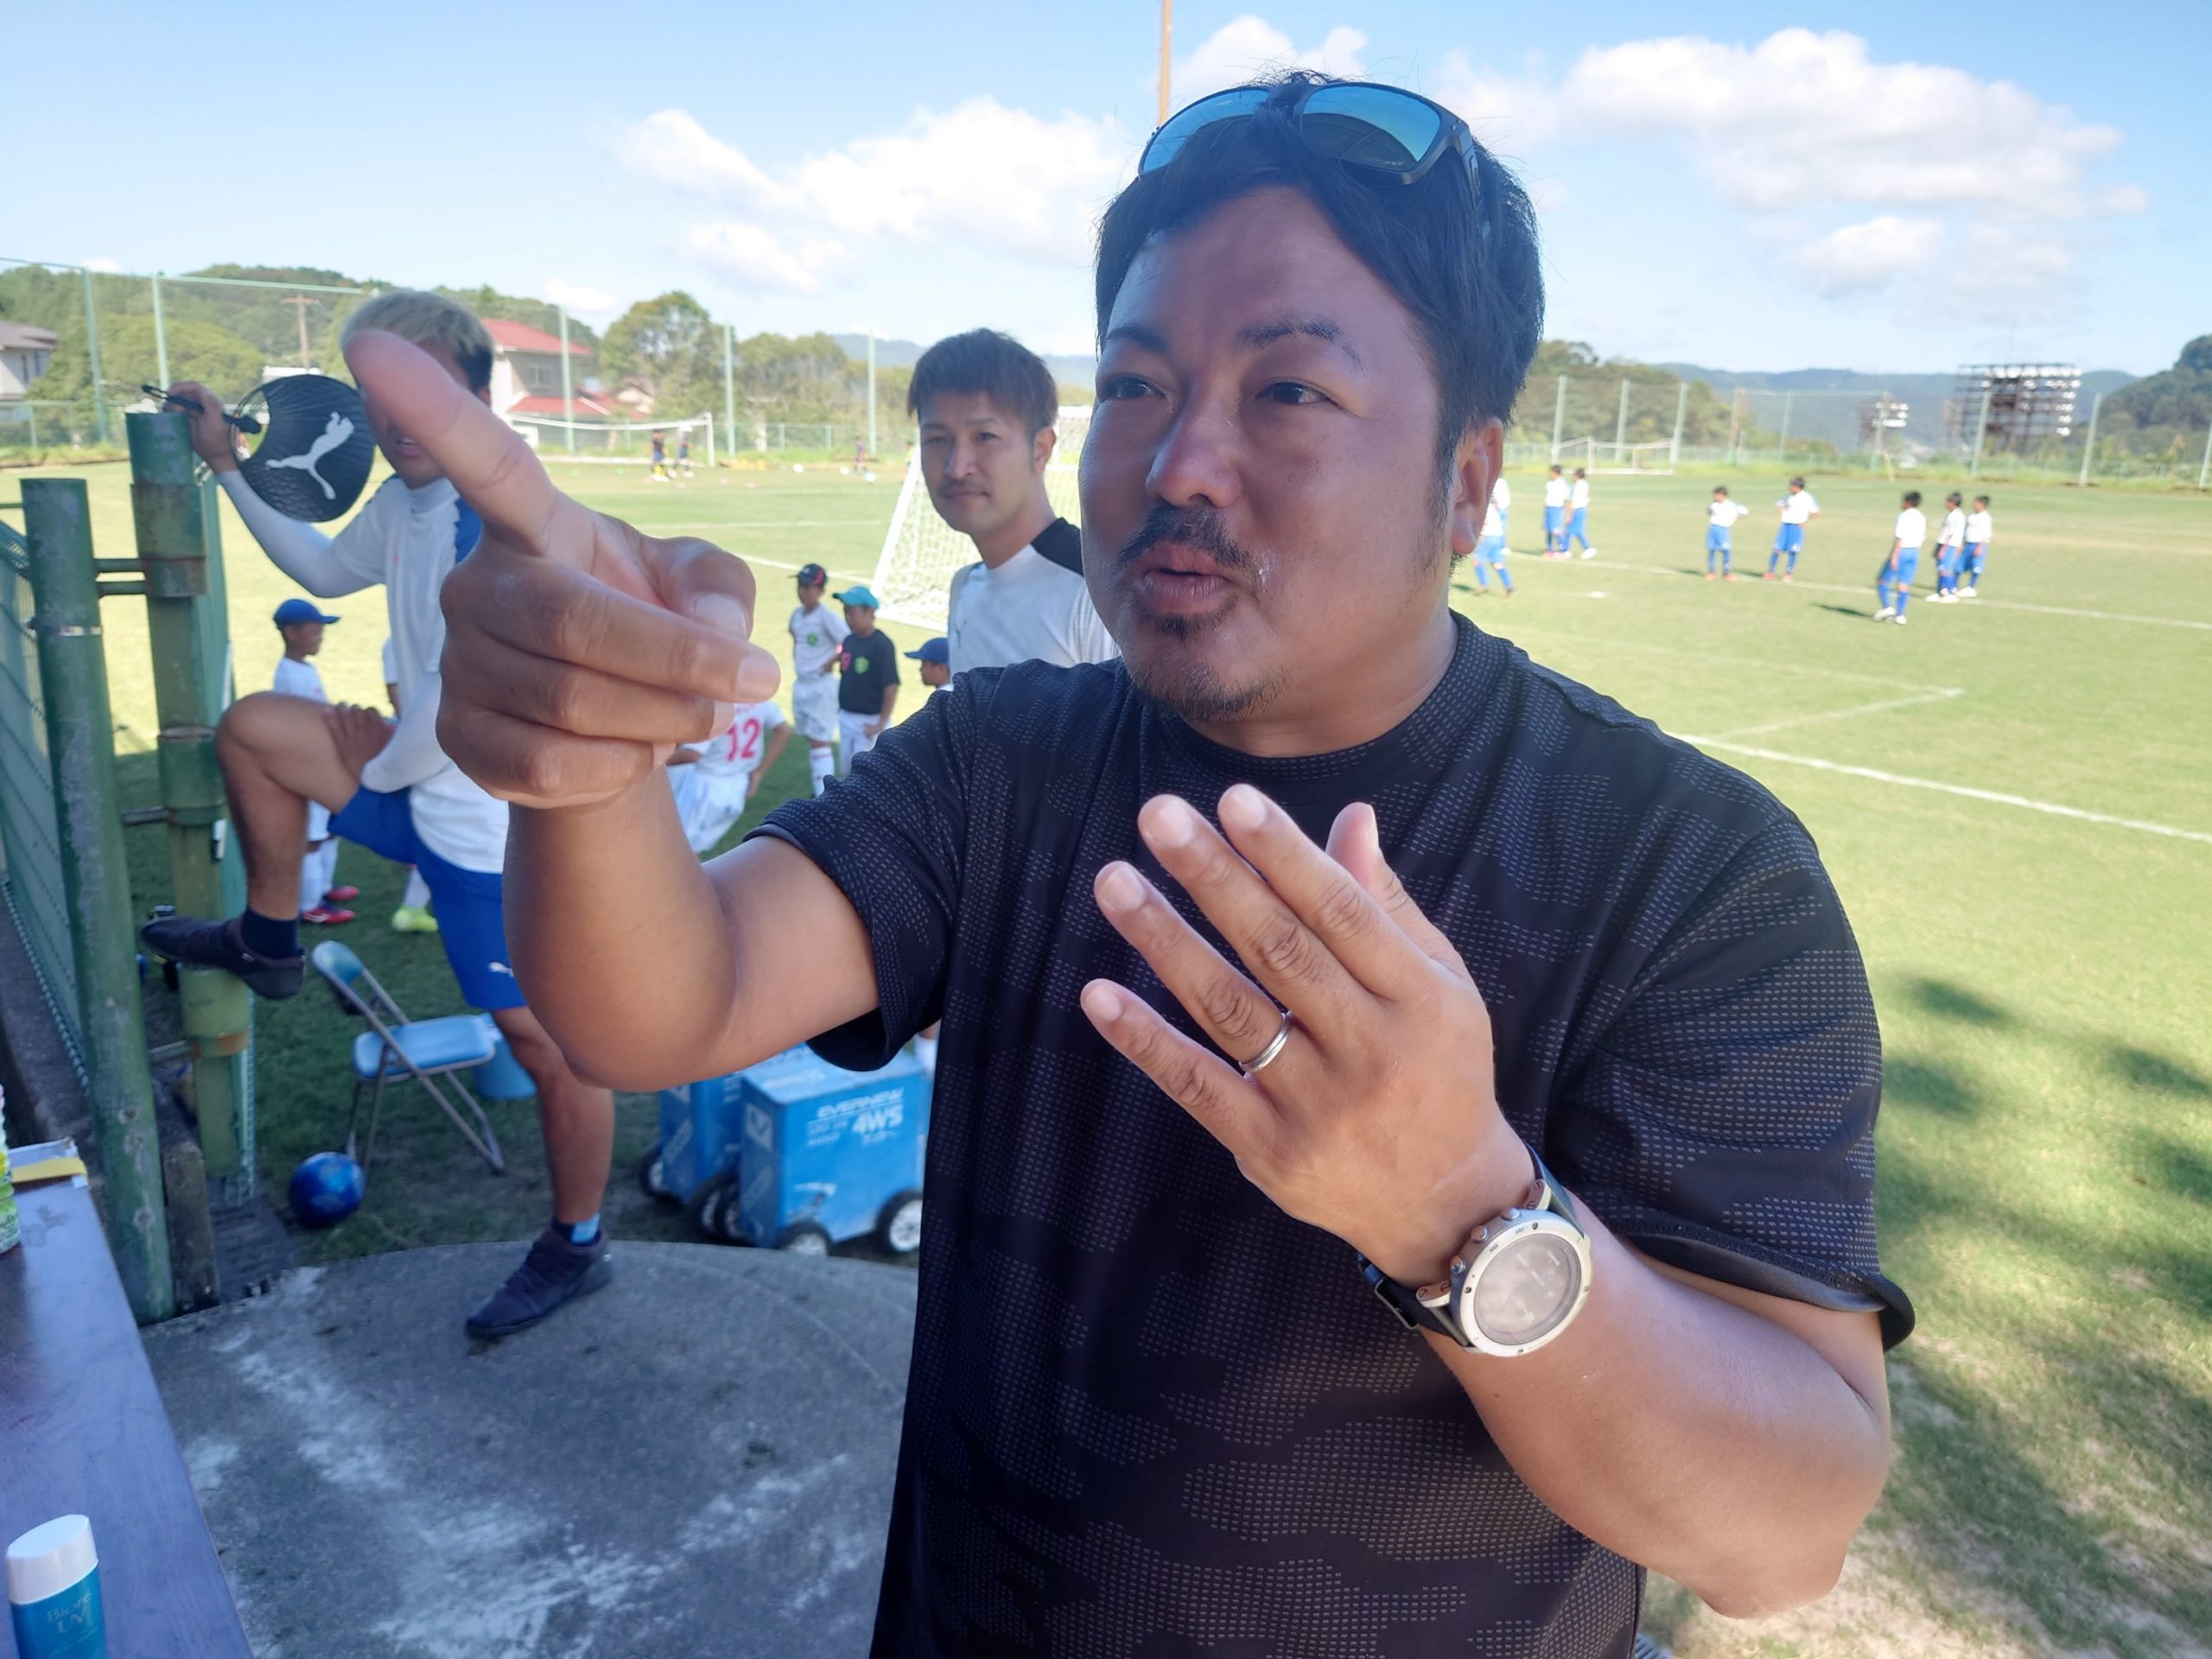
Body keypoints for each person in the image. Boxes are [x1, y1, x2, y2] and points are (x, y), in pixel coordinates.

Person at [396, 73, 1910, 1655]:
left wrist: (1463, 1211)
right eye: (1135, 384)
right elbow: (660, 1006)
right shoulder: (1004, 761)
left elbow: (1783, 1536)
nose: (1180, 461)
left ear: (1467, 482)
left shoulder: (1685, 874)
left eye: (1289, 390)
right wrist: (582, 765)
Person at [144, 294, 617, 1340]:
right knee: (257, 729)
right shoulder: (409, 499)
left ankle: (577, 1243)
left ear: (478, 398)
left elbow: (458, 713)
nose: (397, 417)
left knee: (550, 1049)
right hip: (419, 790)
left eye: (425, 390)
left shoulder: (487, 520)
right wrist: (227, 463)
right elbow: (322, 568)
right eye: (378, 395)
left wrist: (385, 757)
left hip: (496, 844)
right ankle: (270, 938)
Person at [909, 328, 1119, 673]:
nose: (957, 467)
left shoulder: (1098, 596)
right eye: (937, 439)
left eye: (984, 436)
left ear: (1041, 449)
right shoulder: (964, 587)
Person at [270, 599, 354, 925]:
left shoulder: (304, 668)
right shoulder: (290, 676)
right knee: (313, 838)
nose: (321, 637)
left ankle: (325, 888)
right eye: (315, 632)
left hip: (321, 762)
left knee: (331, 829)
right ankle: (310, 905)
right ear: (291, 633)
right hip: (308, 766)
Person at [667, 699, 789, 855]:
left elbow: (692, 754)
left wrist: (654, 760)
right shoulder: (757, 700)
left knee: (677, 849)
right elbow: (784, 730)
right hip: (738, 785)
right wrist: (760, 771)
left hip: (706, 787)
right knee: (692, 849)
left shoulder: (715, 706)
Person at [381, 636, 437, 934]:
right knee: (433, 826)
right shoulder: (397, 642)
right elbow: (395, 692)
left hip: (427, 737)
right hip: (426, 740)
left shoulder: (402, 640)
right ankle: (411, 908)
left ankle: (413, 906)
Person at [787, 563, 848, 795]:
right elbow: (796, 639)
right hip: (802, 683)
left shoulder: (826, 618)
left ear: (821, 590)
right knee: (811, 740)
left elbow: (848, 641)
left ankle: (823, 794)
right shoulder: (797, 615)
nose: (802, 591)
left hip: (822, 687)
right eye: (800, 585)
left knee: (819, 741)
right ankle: (820, 787)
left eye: (808, 587)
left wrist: (832, 660)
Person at [832, 585, 899, 772]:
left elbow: (891, 686)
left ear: (869, 612)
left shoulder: (882, 645)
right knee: (846, 774)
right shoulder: (849, 640)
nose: (848, 618)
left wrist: (881, 724)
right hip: (846, 717)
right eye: (845, 612)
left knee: (864, 777)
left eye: (852, 612)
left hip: (869, 722)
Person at [1875, 489, 1927, 624]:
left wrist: (1894, 556)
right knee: (1903, 583)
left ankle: (1887, 607)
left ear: (1908, 502)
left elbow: (1900, 537)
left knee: (1882, 580)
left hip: (1902, 551)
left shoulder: (1903, 516)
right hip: (1914, 552)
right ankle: (1900, 615)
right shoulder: (1921, 517)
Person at [1768, 476, 1821, 581]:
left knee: (1793, 551)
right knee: (1776, 549)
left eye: (1791, 486)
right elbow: (1779, 503)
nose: (1789, 488)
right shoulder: (1788, 497)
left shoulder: (1807, 498)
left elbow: (1817, 512)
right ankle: (1770, 572)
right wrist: (1782, 509)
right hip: (1785, 526)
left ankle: (1788, 573)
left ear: (1797, 487)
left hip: (1796, 527)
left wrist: (1805, 521)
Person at [1469, 475, 1513, 594]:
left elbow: (1484, 522)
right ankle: (1508, 585)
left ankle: (1483, 585)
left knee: (1477, 560)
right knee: (1497, 563)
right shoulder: (1494, 508)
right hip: (1498, 536)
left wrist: (1480, 537)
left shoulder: (1483, 508)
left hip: (1488, 536)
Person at [1706, 486, 1750, 581]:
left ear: (1722, 495)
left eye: (1717, 494)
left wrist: (1735, 520)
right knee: (1712, 550)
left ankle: (1727, 573)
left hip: (1723, 529)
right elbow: (1709, 512)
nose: (1715, 496)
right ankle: (1711, 572)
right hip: (1713, 528)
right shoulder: (1713, 504)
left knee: (1726, 550)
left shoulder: (1731, 504)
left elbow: (1744, 511)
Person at [1931, 492, 1967, 601]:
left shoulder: (1956, 516)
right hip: (1943, 543)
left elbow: (1950, 534)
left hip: (1948, 545)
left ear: (1953, 503)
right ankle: (1939, 591)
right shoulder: (1953, 514)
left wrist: (1943, 548)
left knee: (1944, 569)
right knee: (1940, 568)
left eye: (1948, 501)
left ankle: (1952, 592)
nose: (1946, 503)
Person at [1961, 494, 1993, 597]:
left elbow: (1986, 534)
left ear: (1982, 504)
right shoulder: (1971, 516)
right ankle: (1953, 586)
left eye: (1976, 503)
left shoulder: (1986, 518)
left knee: (1976, 568)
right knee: (1959, 567)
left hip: (1978, 545)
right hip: (1968, 544)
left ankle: (1971, 587)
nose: (1974, 505)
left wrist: (1980, 547)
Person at [1564, 466, 1596, 557]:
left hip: (1577, 510)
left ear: (1577, 476)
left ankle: (1567, 551)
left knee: (1570, 531)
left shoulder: (1577, 486)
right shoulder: (1585, 484)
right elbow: (1588, 496)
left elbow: (1573, 502)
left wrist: (1569, 515)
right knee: (1576, 531)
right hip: (1582, 509)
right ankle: (1586, 549)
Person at [1541, 461, 1568, 556]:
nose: (1549, 474)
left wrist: (1563, 511)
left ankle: (1563, 549)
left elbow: (1565, 498)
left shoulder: (1562, 484)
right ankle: (1549, 549)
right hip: (1549, 508)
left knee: (1555, 530)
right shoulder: (1549, 484)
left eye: (1551, 472)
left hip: (1556, 509)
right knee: (1548, 529)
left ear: (1555, 473)